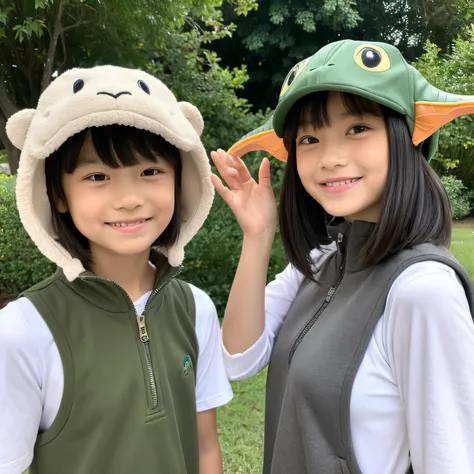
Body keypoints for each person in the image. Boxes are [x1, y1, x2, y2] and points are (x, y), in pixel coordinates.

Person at [210, 40, 474, 474]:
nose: (330, 158)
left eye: (357, 129)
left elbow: (450, 461)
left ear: (406, 135)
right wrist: (257, 236)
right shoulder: (322, 263)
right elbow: (238, 358)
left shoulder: (422, 290)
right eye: (310, 138)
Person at [0, 65, 232, 474]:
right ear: (58, 195)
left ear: (179, 181)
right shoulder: (22, 330)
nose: (128, 199)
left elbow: (206, 448)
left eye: (150, 171)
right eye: (97, 176)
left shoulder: (196, 309)